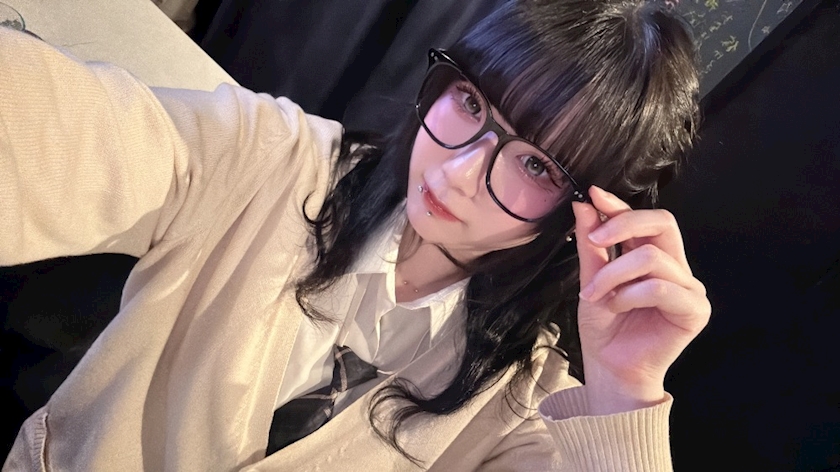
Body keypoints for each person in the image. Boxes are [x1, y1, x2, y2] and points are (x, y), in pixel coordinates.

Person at [1, 0, 710, 470]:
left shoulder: (519, 409)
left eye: (534, 164)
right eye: (470, 102)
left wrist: (626, 391)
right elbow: (58, 132)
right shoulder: (269, 160)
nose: (459, 170)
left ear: (585, 217)